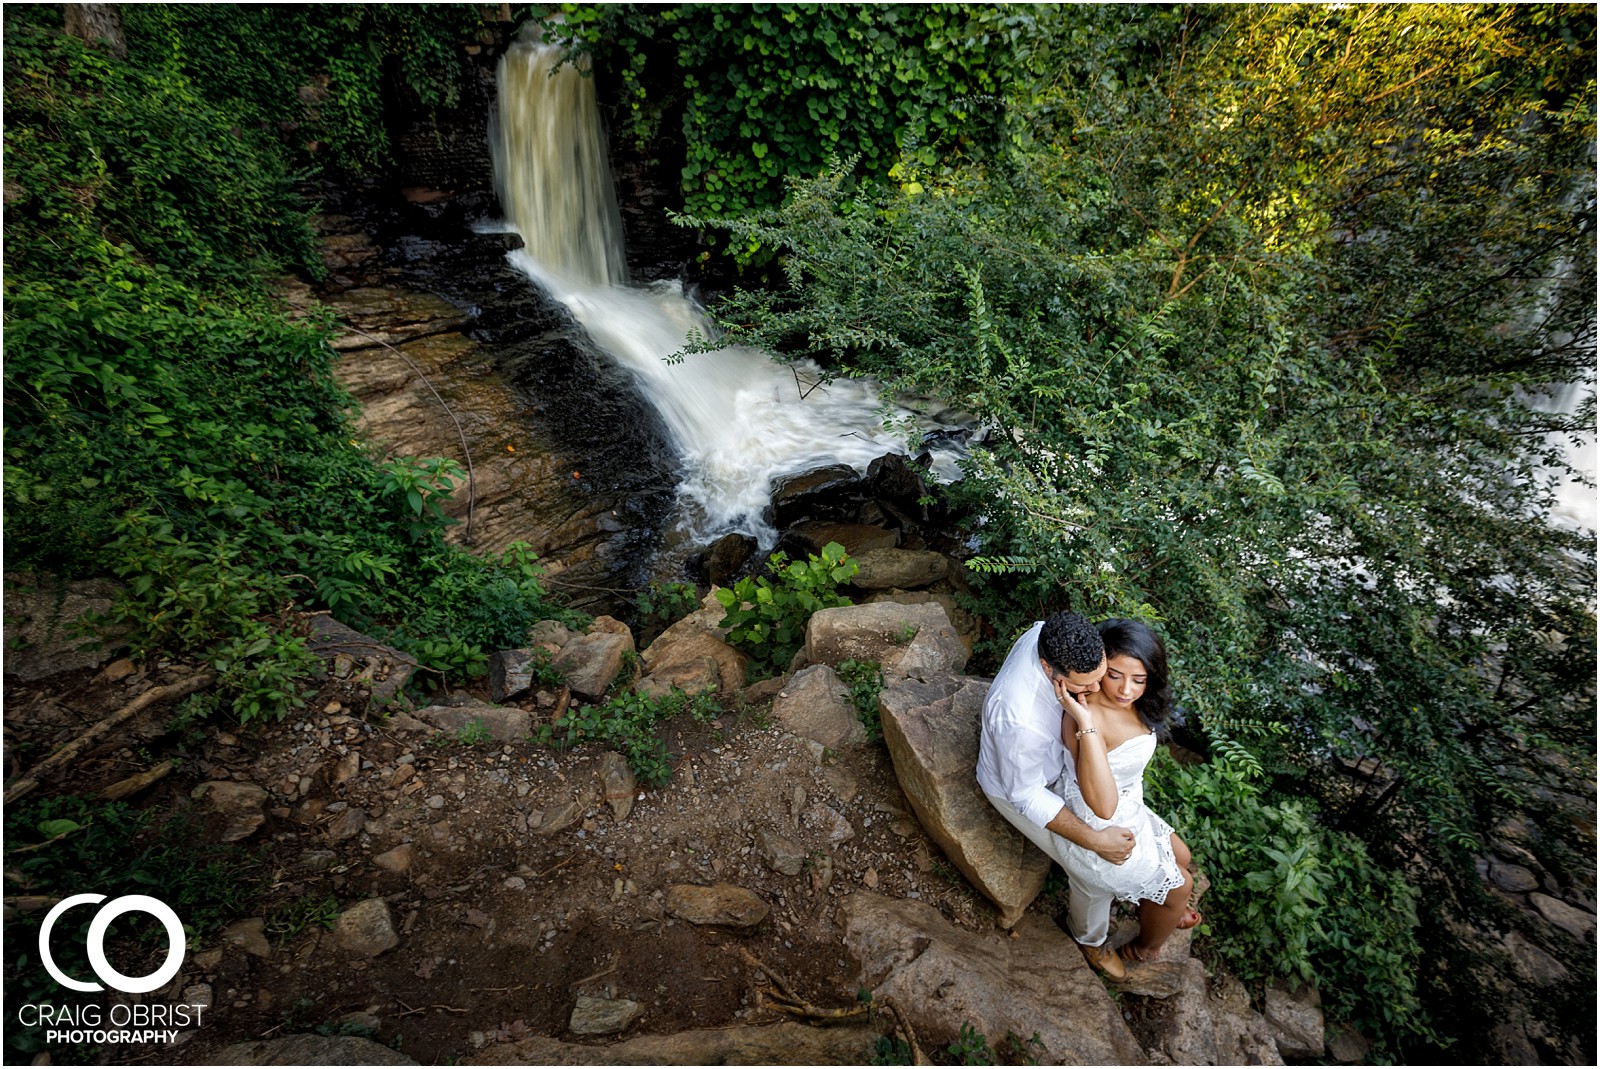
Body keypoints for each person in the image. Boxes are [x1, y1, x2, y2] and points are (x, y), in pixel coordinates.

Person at [976, 612, 1142, 977]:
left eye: (1100, 677)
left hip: (1060, 755)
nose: (1099, 692)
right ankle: (1090, 939)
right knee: (1093, 871)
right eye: (1086, 685)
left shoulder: (1045, 631)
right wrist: (1095, 841)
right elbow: (1026, 795)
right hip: (1022, 786)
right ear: (1048, 668)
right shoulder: (1016, 717)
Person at [1055, 618, 1199, 976]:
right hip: (1099, 816)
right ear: (1100, 665)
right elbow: (1102, 806)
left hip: (1128, 798)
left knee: (1183, 854)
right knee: (1182, 885)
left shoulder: (1133, 701)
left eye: (1139, 679)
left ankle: (1160, 905)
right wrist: (1086, 722)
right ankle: (1145, 946)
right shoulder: (1087, 714)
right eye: (1115, 675)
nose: (1125, 690)